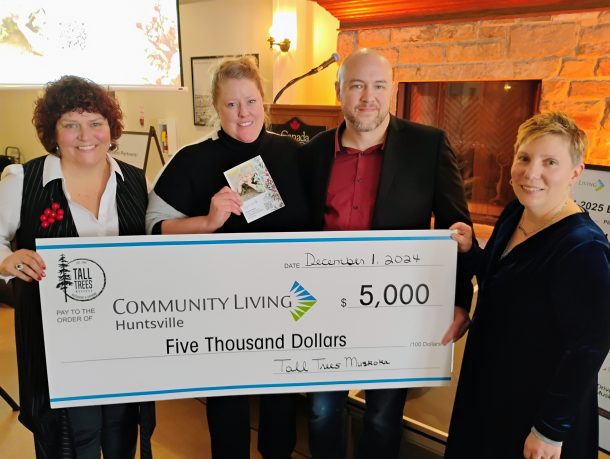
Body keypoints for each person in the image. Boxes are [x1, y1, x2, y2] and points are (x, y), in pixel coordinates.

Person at [299, 48, 474, 459]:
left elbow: (458, 229)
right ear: (338, 90)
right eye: (357, 86)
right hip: (325, 307)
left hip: (396, 311)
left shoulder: (428, 146)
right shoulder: (310, 154)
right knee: (322, 411)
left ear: (392, 90)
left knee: (382, 415)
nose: (367, 97)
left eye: (378, 86)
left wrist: (461, 301)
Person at [146, 56, 310, 459]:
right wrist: (207, 221)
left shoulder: (295, 154)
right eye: (232, 104)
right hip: (221, 306)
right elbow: (152, 227)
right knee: (228, 408)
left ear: (264, 102)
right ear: (216, 109)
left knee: (281, 405)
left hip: (288, 301)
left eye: (251, 101)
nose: (243, 113)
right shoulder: (191, 159)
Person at [0, 75, 155, 458]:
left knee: (121, 435)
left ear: (111, 129)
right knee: (70, 439)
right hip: (58, 348)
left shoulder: (135, 181)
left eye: (95, 122)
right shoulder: (23, 179)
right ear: (53, 131)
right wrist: (7, 258)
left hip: (124, 340)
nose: (85, 135)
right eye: (70, 124)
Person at [445, 112, 610, 459]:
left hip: (533, 411)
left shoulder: (584, 248)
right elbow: (500, 279)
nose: (531, 173)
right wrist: (470, 251)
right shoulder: (515, 212)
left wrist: (549, 431)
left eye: (550, 162)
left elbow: (588, 348)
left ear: (575, 173)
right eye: (524, 158)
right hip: (488, 386)